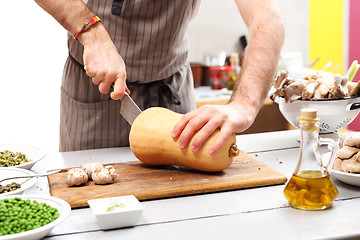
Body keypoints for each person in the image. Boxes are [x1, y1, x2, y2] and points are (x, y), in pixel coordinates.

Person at [34, 0, 284, 154]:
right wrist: (90, 30)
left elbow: (266, 16)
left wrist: (245, 103)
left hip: (172, 93)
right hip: (96, 92)